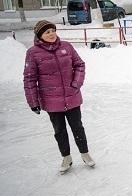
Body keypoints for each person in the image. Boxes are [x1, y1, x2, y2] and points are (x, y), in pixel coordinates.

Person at [23, 20, 95, 173]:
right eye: (47, 32)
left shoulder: (66, 47)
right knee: (59, 130)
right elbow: (29, 78)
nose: (51, 34)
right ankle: (66, 158)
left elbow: (79, 65)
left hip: (72, 96)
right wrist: (33, 101)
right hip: (51, 100)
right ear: (40, 35)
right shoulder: (33, 53)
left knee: (78, 127)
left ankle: (85, 154)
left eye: (53, 30)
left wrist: (76, 83)